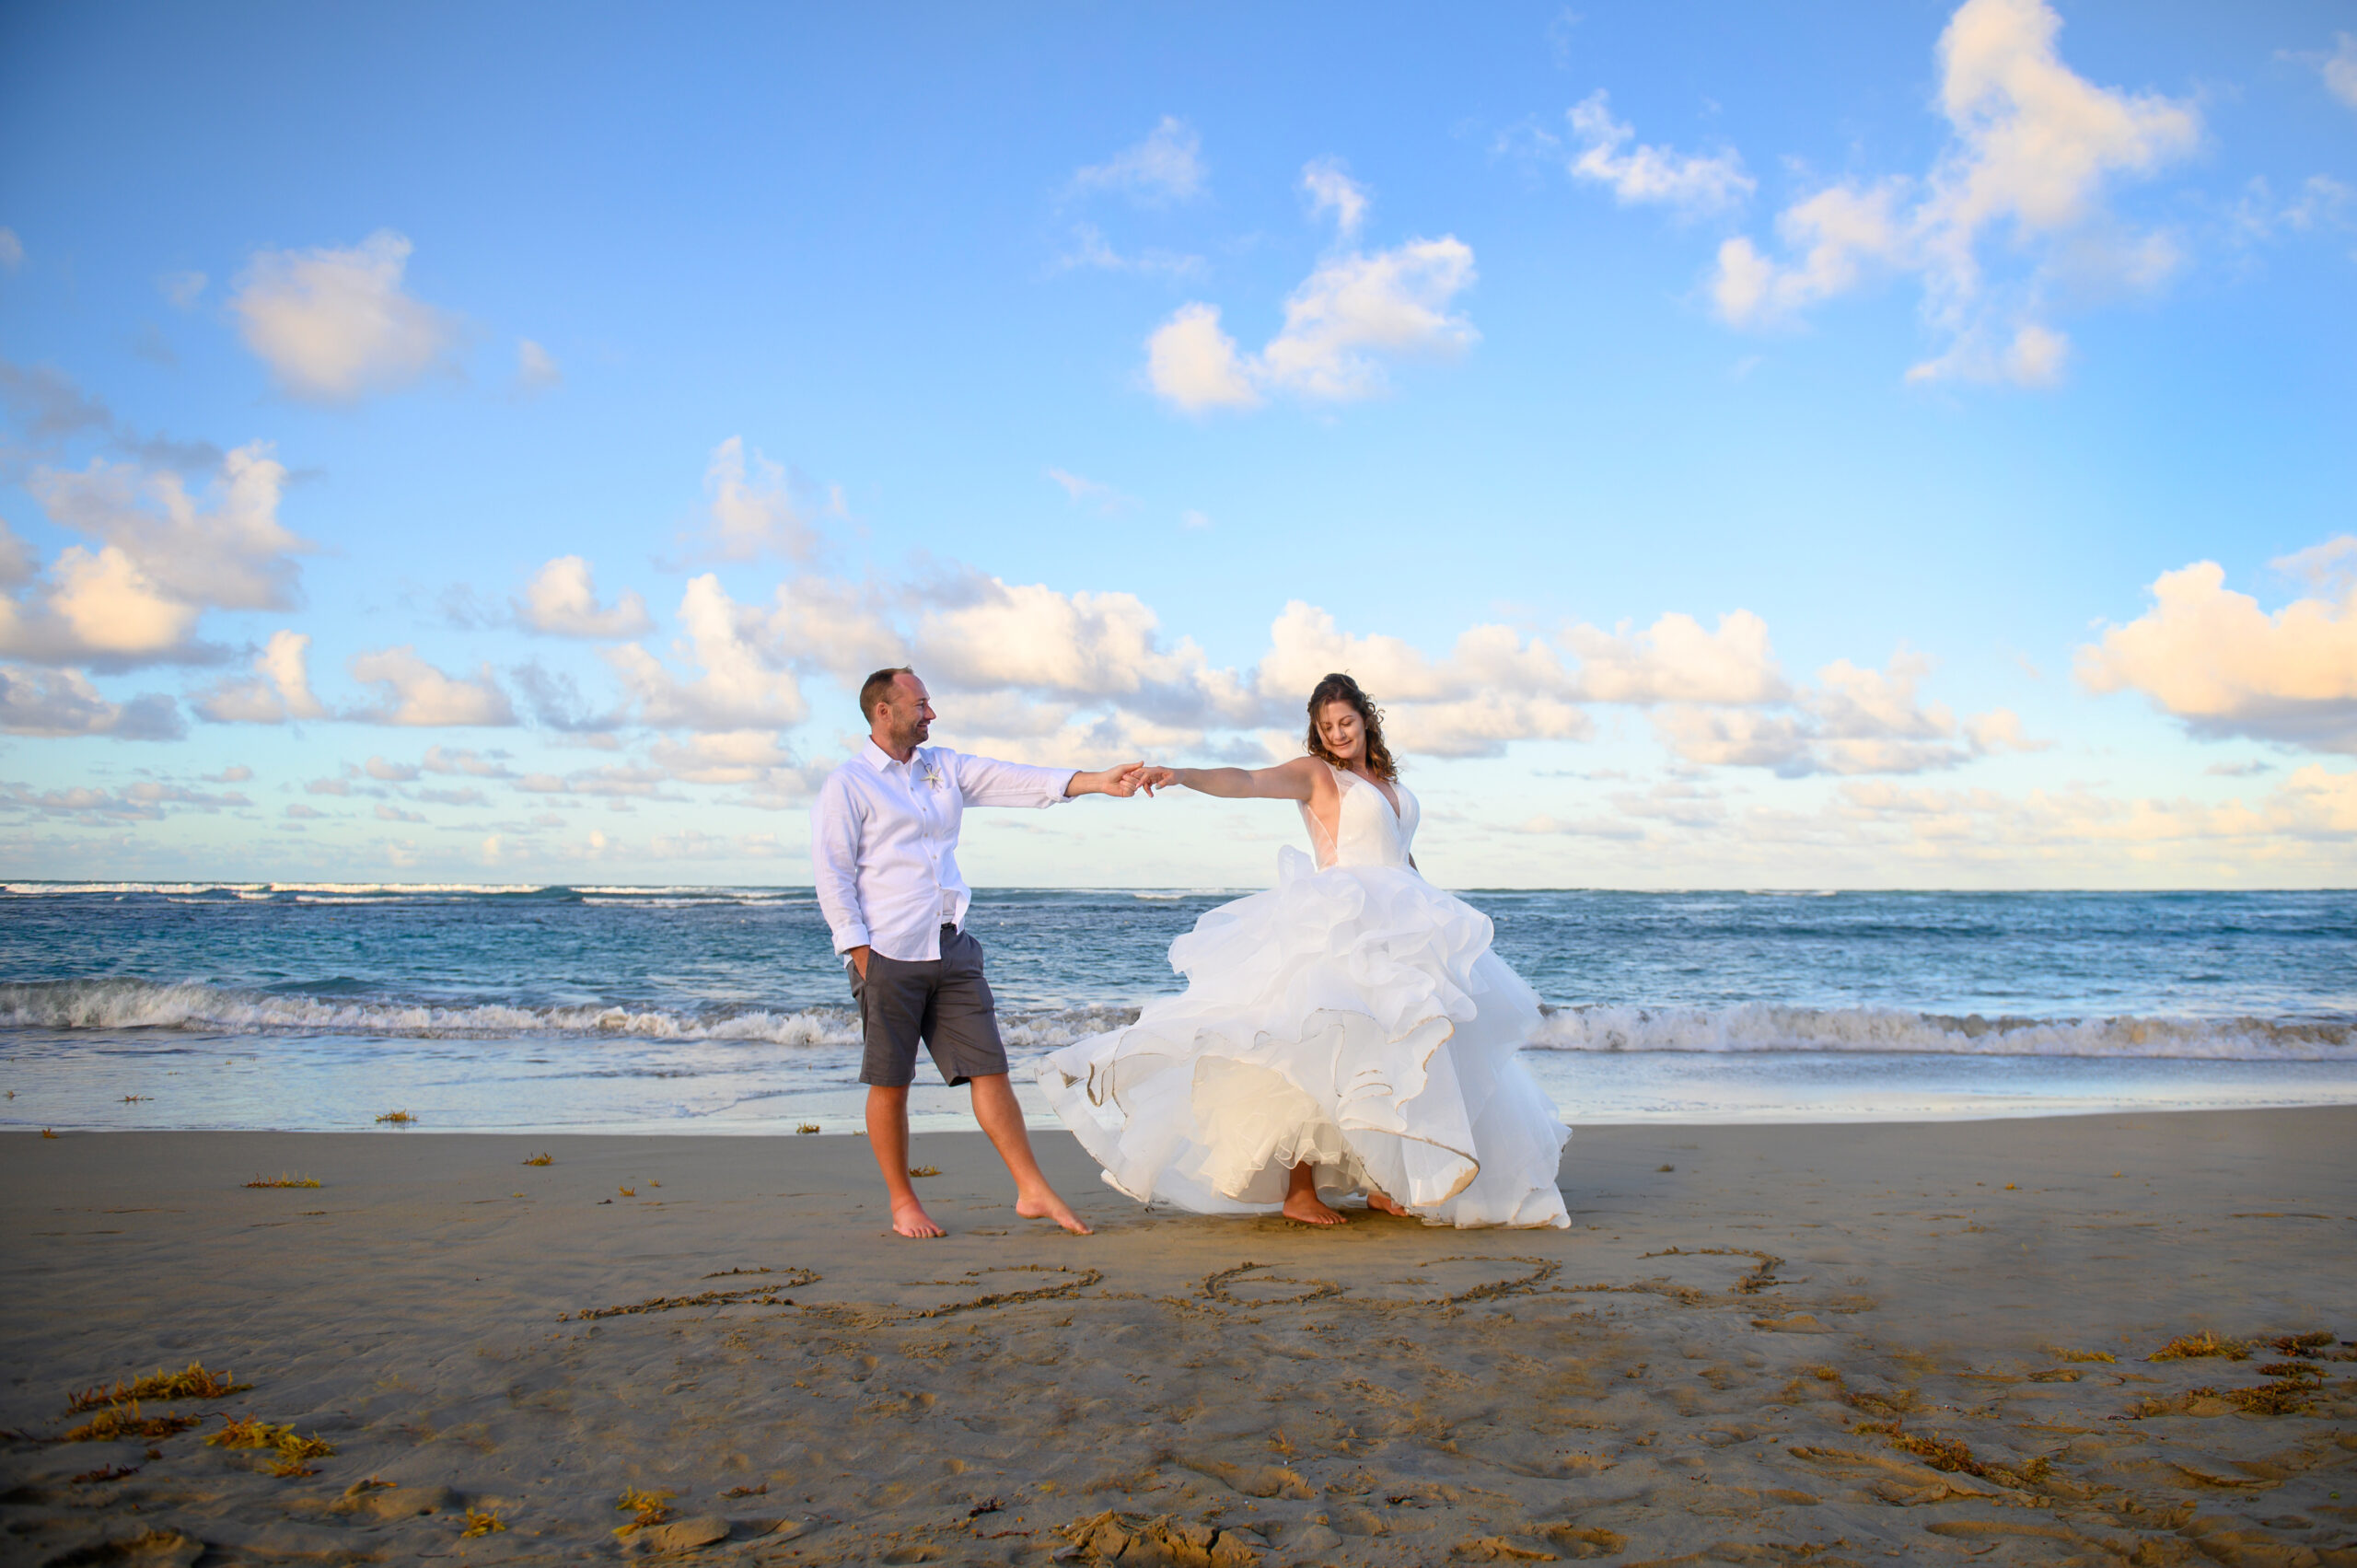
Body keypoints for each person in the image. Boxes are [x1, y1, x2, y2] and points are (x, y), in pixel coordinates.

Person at [1036, 672, 1571, 1228]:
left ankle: (1383, 1182)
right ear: (1317, 732)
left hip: (1402, 918)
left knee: (1392, 1050)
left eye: (1346, 722)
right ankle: (1299, 1192)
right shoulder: (1318, 775)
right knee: (1316, 1044)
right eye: (1327, 726)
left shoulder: (1386, 778)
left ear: (1366, 720)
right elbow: (1246, 780)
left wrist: (1434, 912)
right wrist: (1183, 775)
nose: (1339, 733)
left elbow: (1402, 855)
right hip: (1339, 918)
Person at [812, 667, 1148, 1239]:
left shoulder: (943, 767)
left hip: (952, 946)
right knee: (891, 1082)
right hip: (888, 952)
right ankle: (903, 1203)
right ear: (883, 711)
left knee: (990, 1070)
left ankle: (1032, 1190)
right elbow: (832, 873)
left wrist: (1097, 781)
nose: (931, 714)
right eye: (920, 704)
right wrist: (860, 953)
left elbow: (1016, 780)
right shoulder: (848, 785)